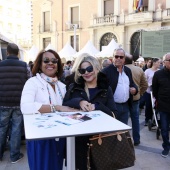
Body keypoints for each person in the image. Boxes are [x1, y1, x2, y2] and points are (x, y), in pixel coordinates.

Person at [20, 49, 78, 170]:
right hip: (41, 138)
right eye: (46, 60)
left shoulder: (61, 86)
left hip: (60, 135)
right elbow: (25, 107)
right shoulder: (33, 83)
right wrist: (56, 107)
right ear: (39, 65)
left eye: (54, 61)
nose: (50, 63)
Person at [63, 54, 117, 170]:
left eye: (89, 69)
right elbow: (64, 105)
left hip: (100, 140)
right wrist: (79, 101)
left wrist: (97, 106)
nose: (86, 72)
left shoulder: (105, 89)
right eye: (82, 70)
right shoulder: (74, 87)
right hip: (78, 139)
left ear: (97, 68)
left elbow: (113, 114)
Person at [0, 43, 28, 163]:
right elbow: (28, 83)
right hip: (18, 102)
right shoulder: (24, 66)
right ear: (18, 53)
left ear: (7, 53)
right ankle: (14, 156)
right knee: (16, 129)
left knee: (2, 128)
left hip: (3, 102)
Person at [102, 48, 138, 124]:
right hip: (112, 107)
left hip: (125, 106)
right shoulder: (106, 71)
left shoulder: (127, 70)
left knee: (123, 131)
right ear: (112, 58)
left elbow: (132, 83)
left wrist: (135, 89)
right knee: (112, 131)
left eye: (121, 57)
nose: (119, 59)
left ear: (124, 59)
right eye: (116, 56)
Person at [125, 53, 148, 145]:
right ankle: (136, 139)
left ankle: (125, 140)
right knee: (135, 119)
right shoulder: (139, 70)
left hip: (124, 100)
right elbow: (145, 84)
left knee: (124, 120)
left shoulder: (121, 70)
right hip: (135, 98)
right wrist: (140, 93)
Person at [152, 53, 170, 158]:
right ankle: (166, 147)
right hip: (163, 106)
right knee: (164, 128)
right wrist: (158, 100)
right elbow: (155, 90)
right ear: (165, 62)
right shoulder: (158, 75)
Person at [144, 58, 160, 126]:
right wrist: (148, 85)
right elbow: (144, 81)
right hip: (149, 92)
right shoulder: (148, 71)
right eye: (159, 63)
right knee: (148, 106)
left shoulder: (159, 71)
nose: (160, 64)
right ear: (154, 63)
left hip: (157, 92)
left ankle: (155, 119)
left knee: (156, 106)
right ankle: (147, 119)